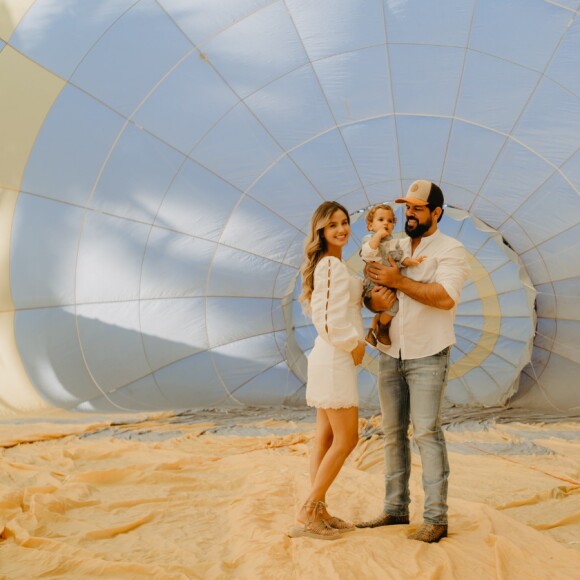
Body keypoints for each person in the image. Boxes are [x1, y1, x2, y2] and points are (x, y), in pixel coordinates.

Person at [356, 180, 470, 543]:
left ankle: (436, 518)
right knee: (391, 433)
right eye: (407, 207)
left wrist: (397, 282)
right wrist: (375, 300)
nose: (409, 214)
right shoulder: (393, 244)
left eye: (418, 209)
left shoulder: (452, 251)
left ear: (436, 213)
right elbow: (370, 294)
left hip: (429, 354)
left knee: (426, 433)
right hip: (390, 352)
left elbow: (445, 297)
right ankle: (395, 510)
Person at [288, 201, 368, 541]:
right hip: (335, 356)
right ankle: (310, 509)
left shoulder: (333, 264)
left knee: (325, 436)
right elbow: (326, 320)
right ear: (321, 230)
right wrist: (356, 343)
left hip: (330, 355)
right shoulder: (331, 264)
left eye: (345, 222)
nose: (341, 229)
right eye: (333, 224)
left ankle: (317, 511)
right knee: (348, 437)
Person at [360, 204, 426, 351]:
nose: (386, 223)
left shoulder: (394, 243)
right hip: (374, 283)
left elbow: (399, 259)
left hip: (390, 285)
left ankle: (381, 327)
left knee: (394, 305)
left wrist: (412, 261)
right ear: (370, 225)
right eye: (381, 219)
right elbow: (368, 254)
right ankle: (378, 328)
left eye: (390, 221)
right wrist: (377, 236)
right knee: (383, 303)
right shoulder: (369, 239)